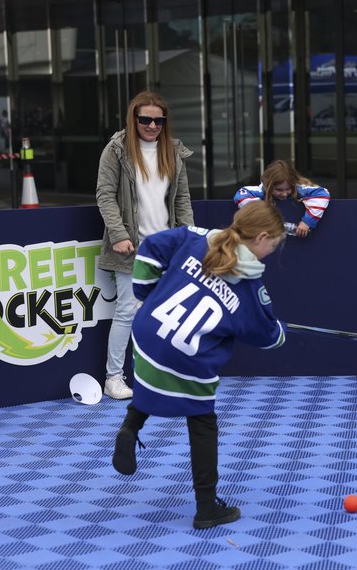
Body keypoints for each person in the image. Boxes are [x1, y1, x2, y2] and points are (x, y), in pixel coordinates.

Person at [111, 201, 287, 530]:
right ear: (262, 237)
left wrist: (148, 293)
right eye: (273, 245)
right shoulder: (250, 289)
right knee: (202, 421)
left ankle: (130, 427)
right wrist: (281, 331)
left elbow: (150, 248)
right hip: (185, 355)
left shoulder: (197, 238)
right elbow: (267, 337)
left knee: (153, 379)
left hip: (147, 334)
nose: (270, 252)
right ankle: (207, 506)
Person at [97, 90, 194, 400]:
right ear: (134, 118)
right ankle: (114, 377)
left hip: (167, 246)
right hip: (131, 248)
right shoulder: (116, 151)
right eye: (145, 119)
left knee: (165, 314)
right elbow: (105, 195)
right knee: (127, 311)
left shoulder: (173, 152)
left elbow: (181, 199)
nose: (152, 125)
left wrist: (188, 237)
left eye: (159, 120)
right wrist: (119, 234)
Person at [233, 159, 330, 238]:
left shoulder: (299, 190)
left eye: (288, 189)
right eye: (279, 190)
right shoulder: (260, 191)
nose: (284, 194)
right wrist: (264, 217)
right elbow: (240, 196)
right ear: (268, 185)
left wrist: (307, 221)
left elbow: (323, 193)